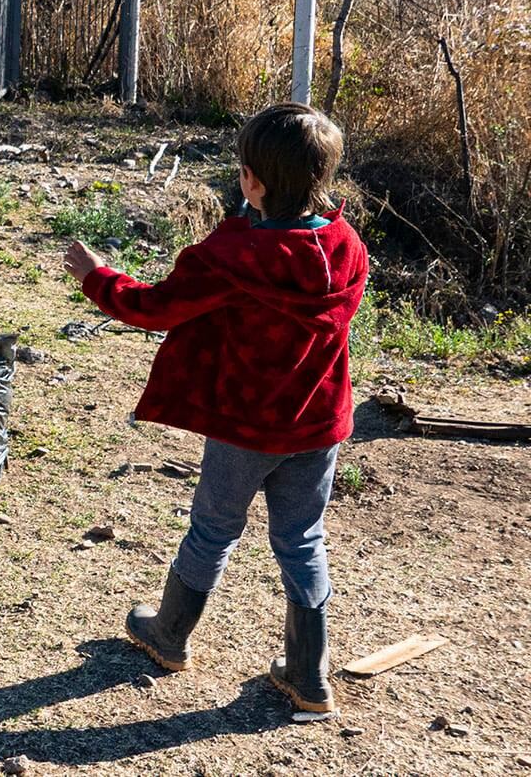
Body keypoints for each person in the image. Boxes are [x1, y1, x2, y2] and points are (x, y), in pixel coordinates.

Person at [60, 102, 368, 714]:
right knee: (303, 537)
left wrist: (98, 278)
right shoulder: (347, 247)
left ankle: (169, 636)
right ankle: (309, 676)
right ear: (321, 178)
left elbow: (154, 309)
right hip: (318, 425)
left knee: (214, 528)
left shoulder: (234, 255)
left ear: (252, 180)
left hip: (247, 427)